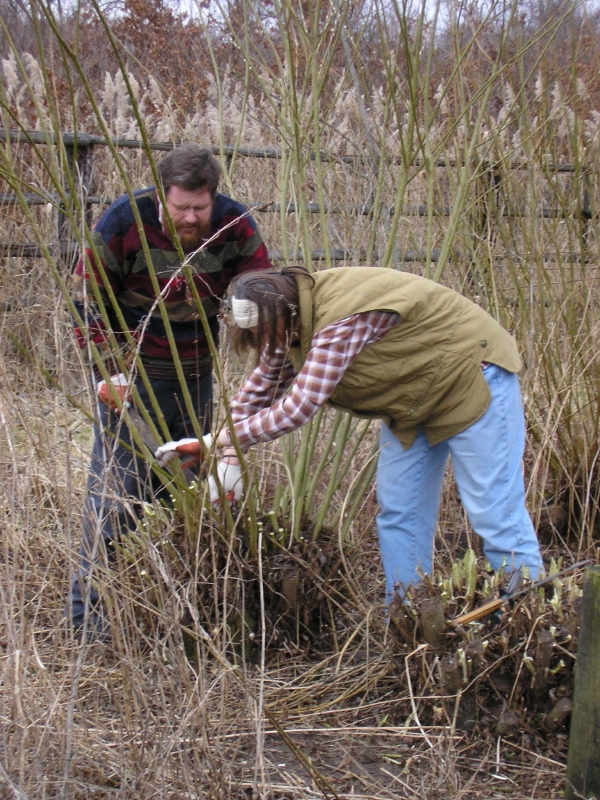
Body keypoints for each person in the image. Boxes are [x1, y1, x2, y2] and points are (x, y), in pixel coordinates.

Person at [159, 265, 542, 602]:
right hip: (415, 399)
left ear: (281, 314)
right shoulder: (288, 318)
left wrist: (216, 441)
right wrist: (224, 456)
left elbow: (297, 409)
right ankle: (410, 624)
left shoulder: (338, 320)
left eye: (263, 334)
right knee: (399, 512)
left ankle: (528, 613)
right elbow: (261, 385)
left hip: (472, 374)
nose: (265, 344)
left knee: (494, 512)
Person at [67, 143, 272, 636]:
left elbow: (261, 290)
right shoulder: (122, 222)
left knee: (190, 494)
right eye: (181, 208)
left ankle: (180, 607)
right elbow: (86, 301)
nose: (191, 217)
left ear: (213, 198)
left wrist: (252, 322)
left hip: (198, 376)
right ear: (161, 195)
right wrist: (109, 371)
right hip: (133, 381)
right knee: (115, 500)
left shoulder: (233, 224)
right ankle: (86, 621)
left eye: (200, 208)